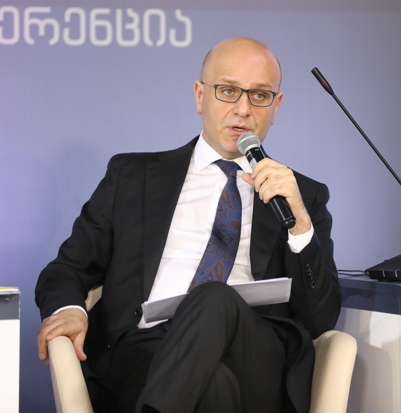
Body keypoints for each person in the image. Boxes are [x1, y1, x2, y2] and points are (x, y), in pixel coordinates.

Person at [35, 37, 341, 413]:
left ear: (276, 107)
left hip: (254, 357)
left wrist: (300, 225)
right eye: (228, 90)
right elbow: (68, 268)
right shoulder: (133, 176)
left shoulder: (301, 196)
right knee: (213, 388)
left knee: (216, 297)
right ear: (200, 96)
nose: (243, 109)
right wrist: (70, 309)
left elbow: (320, 319)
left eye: (260, 95)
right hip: (145, 350)